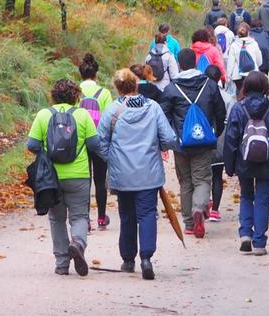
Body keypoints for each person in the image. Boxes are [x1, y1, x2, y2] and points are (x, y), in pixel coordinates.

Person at [92, 69, 179, 280]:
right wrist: (155, 146)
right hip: (149, 173)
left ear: (117, 88)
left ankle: (128, 260)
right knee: (147, 213)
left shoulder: (112, 110)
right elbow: (168, 139)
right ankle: (146, 258)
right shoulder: (153, 108)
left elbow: (99, 142)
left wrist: (112, 158)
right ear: (136, 85)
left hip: (122, 175)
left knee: (127, 215)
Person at [27, 79, 99, 277]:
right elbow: (94, 145)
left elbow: (31, 144)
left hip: (51, 178)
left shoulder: (43, 115)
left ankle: (61, 264)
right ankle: (77, 243)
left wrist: (46, 152)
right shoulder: (82, 115)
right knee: (80, 216)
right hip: (79, 175)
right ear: (75, 95)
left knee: (56, 219)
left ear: (53, 95)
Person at [159, 49, 228, 238]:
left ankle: (189, 223)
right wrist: (215, 132)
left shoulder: (172, 89)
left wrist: (171, 138)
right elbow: (221, 113)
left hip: (181, 143)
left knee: (186, 182)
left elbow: (163, 116)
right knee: (203, 179)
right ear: (196, 63)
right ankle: (199, 208)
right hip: (204, 142)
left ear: (180, 65)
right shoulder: (210, 85)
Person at [221, 72, 269, 256]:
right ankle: (259, 242)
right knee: (262, 200)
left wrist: (229, 165)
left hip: (244, 160)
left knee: (246, 195)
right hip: (268, 160)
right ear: (265, 87)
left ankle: (245, 234)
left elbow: (230, 139)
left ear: (245, 87)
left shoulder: (238, 108)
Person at [78, 54, 115, 231]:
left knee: (85, 180)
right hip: (100, 141)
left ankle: (85, 219)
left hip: (80, 142)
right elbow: (109, 118)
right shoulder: (105, 93)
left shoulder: (75, 92)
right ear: (96, 74)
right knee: (100, 180)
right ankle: (101, 217)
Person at [204, 64, 232, 223]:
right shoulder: (227, 97)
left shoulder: (202, 95)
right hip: (221, 140)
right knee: (217, 175)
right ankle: (215, 210)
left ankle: (205, 200)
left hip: (204, 140)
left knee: (203, 174)